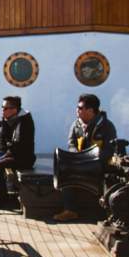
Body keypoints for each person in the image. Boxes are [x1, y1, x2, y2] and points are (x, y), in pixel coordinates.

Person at [54, 93, 117, 222]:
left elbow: (109, 150)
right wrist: (76, 156)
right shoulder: (76, 125)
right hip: (80, 163)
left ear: (91, 110)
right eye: (77, 107)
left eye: (80, 108)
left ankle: (108, 211)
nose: (77, 110)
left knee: (109, 177)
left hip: (99, 164)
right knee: (65, 171)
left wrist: (92, 160)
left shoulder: (107, 126)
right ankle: (70, 210)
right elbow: (71, 143)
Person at [0, 96, 36, 211]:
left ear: (14, 110)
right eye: (2, 107)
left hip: (24, 157)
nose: (2, 110)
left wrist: (3, 157)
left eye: (5, 108)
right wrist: (0, 155)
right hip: (10, 154)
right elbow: (2, 142)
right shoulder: (6, 120)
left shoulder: (24, 121)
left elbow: (18, 146)